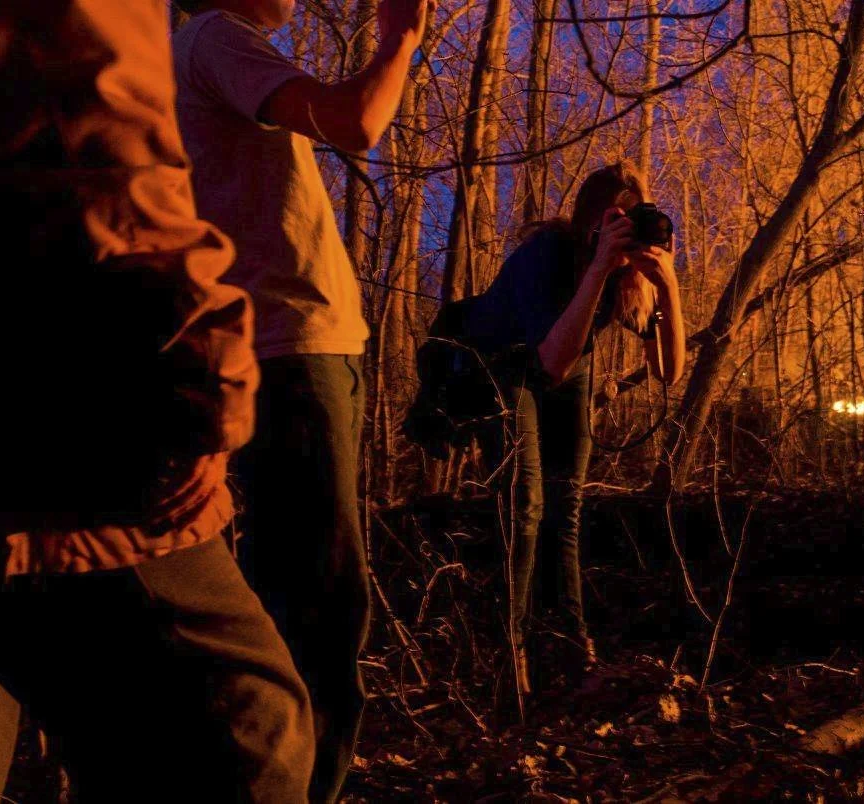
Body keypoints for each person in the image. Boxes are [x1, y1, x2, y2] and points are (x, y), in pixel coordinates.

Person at [0, 1, 315, 801]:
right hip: (57, 398)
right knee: (245, 742)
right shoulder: (214, 40)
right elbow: (97, 140)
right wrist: (203, 382)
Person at [171, 0, 430, 798]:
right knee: (317, 609)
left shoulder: (209, 47)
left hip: (298, 353)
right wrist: (401, 39)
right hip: (290, 355)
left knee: (295, 596)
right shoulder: (215, 36)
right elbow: (356, 122)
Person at [469, 163, 686, 697]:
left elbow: (667, 371)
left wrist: (668, 287)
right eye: (615, 220)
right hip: (503, 364)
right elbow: (549, 365)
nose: (626, 231)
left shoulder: (628, 277)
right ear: (591, 219)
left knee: (564, 509)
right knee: (525, 507)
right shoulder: (548, 252)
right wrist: (598, 267)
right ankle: (509, 659)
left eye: (635, 220)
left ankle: (571, 651)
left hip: (567, 359)